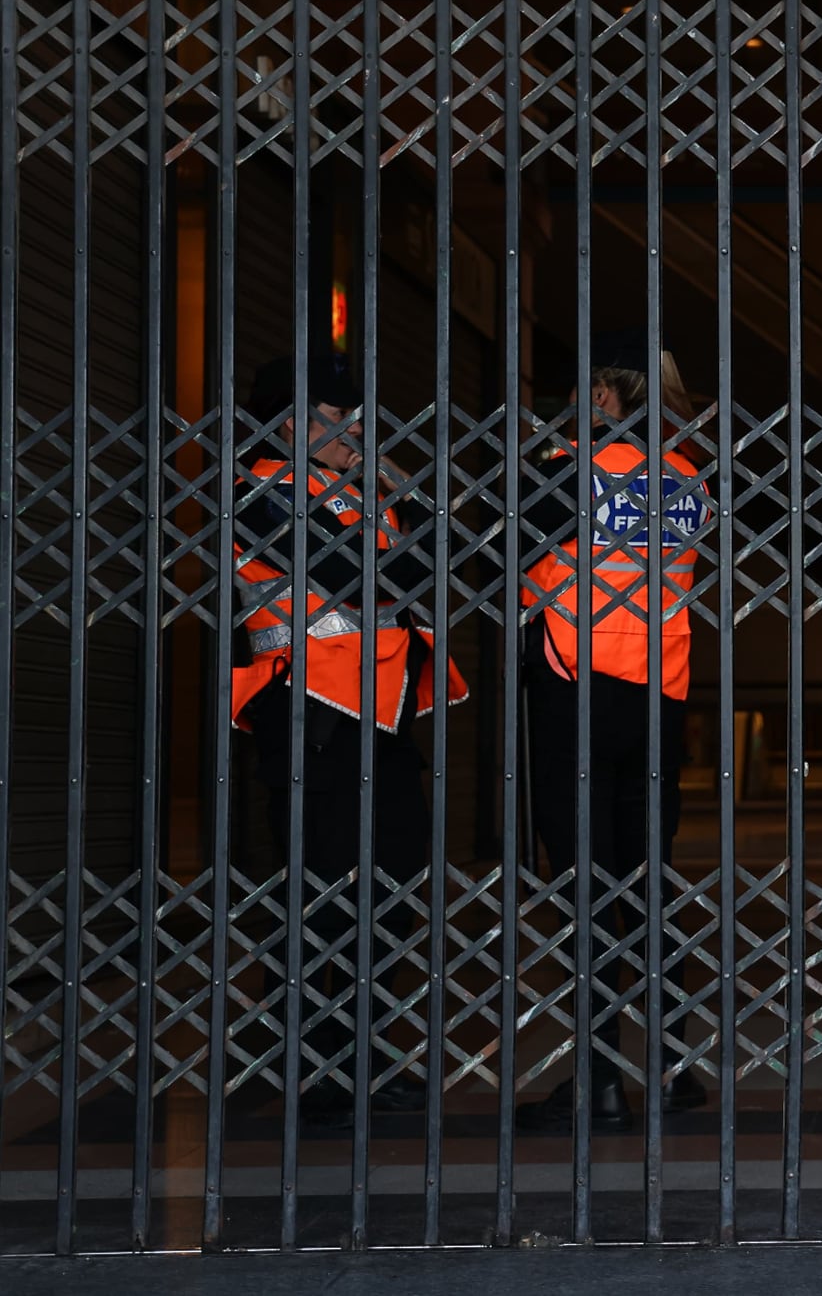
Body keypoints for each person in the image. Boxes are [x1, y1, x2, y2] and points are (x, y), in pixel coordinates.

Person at [231, 352, 468, 1129]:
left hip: (385, 713)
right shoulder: (258, 491)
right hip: (309, 715)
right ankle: (322, 1061)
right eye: (342, 419)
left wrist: (402, 488)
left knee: (390, 885)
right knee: (326, 893)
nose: (360, 432)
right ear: (295, 424)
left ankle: (341, 1045)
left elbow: (444, 556)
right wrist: (394, 550)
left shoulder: (360, 493)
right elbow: (347, 573)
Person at [515, 328, 710, 1132]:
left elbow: (498, 552)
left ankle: (600, 1078)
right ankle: (670, 1065)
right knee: (649, 882)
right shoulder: (688, 480)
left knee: (585, 890)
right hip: (659, 698)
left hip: (576, 692)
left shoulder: (571, 476)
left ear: (602, 394)